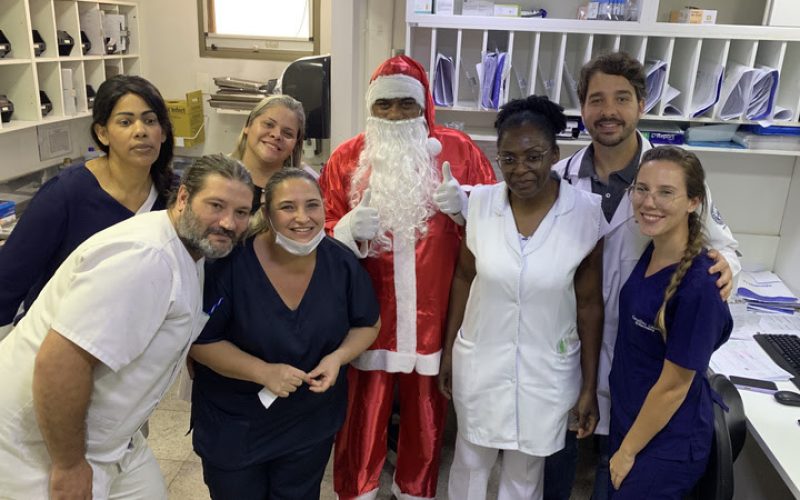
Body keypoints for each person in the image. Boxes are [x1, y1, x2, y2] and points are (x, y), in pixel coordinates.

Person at [0, 154, 254, 499]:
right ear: (183, 198)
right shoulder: (145, 259)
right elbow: (61, 364)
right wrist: (70, 465)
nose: (228, 222)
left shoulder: (190, 251)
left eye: (241, 213)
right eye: (216, 205)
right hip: (42, 445)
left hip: (112, 440)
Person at [546, 51, 740, 500]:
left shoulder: (673, 173)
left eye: (621, 98)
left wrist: (727, 267)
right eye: (596, 100)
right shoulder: (559, 179)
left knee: (622, 472)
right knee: (563, 476)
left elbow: (724, 246)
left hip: (650, 369)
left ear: (641, 104)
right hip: (575, 359)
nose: (608, 111)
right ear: (583, 107)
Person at [320, 55, 496, 500]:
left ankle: (415, 489)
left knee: (426, 412)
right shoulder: (346, 158)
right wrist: (343, 232)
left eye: (405, 105)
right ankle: (356, 489)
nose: (395, 115)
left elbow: (499, 218)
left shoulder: (459, 150)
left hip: (433, 314)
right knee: (363, 410)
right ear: (370, 109)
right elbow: (318, 226)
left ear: (424, 107)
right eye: (385, 106)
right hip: (369, 316)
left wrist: (467, 207)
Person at [438, 95, 604, 499]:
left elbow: (589, 305)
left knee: (525, 471)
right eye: (508, 158)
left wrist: (589, 384)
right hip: (481, 360)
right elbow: (463, 277)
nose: (520, 169)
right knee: (470, 461)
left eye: (533, 156)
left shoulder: (584, 213)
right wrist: (448, 349)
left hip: (546, 368)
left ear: (554, 154)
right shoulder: (479, 204)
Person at [188, 168, 381, 499]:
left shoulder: (341, 263)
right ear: (266, 213)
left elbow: (368, 324)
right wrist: (263, 372)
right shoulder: (231, 265)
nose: (302, 218)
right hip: (236, 425)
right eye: (288, 207)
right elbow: (200, 341)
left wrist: (338, 357)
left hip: (309, 424)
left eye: (312, 205)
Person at [0, 74, 175, 335]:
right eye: (125, 122)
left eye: (150, 121)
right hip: (56, 341)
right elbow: (7, 281)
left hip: (128, 341)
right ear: (102, 133)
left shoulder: (172, 197)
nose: (141, 131)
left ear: (162, 133)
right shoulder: (66, 194)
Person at [608, 146, 733, 498]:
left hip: (666, 440)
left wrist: (628, 451)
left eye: (666, 192)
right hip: (634, 417)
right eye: (642, 189)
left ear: (693, 201)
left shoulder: (700, 285)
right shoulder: (654, 250)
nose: (649, 202)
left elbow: (675, 386)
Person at [231, 94, 318, 214]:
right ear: (248, 126)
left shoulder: (308, 186)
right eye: (268, 124)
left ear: (295, 145)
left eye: (287, 133)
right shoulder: (216, 176)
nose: (277, 135)